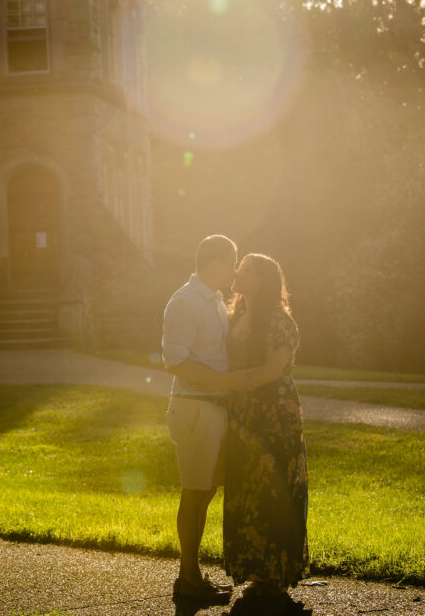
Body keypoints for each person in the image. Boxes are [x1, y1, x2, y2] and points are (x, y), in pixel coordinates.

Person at [162, 234, 250, 603]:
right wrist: (228, 381)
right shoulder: (184, 302)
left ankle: (191, 576)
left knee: (206, 492)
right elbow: (176, 361)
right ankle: (188, 581)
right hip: (194, 406)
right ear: (215, 263)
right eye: (232, 263)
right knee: (195, 493)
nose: (234, 271)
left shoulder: (214, 300)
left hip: (214, 407)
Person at [222, 253, 309, 597]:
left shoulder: (279, 321)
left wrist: (227, 382)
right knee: (245, 487)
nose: (236, 273)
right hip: (242, 415)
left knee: (272, 488)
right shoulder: (236, 315)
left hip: (274, 415)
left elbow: (273, 370)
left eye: (244, 270)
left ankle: (273, 570)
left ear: (261, 280)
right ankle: (253, 569)